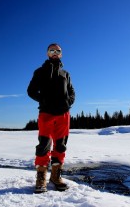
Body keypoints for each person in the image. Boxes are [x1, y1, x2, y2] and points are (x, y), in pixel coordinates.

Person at [27, 43, 75, 193]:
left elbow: (72, 92)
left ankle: (56, 176)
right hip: (46, 113)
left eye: (58, 51)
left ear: (61, 54)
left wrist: (68, 102)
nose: (55, 53)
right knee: (44, 145)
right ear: (47, 53)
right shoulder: (40, 72)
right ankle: (41, 178)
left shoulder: (65, 74)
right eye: (52, 50)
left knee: (60, 145)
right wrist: (44, 100)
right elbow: (31, 91)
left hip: (63, 115)